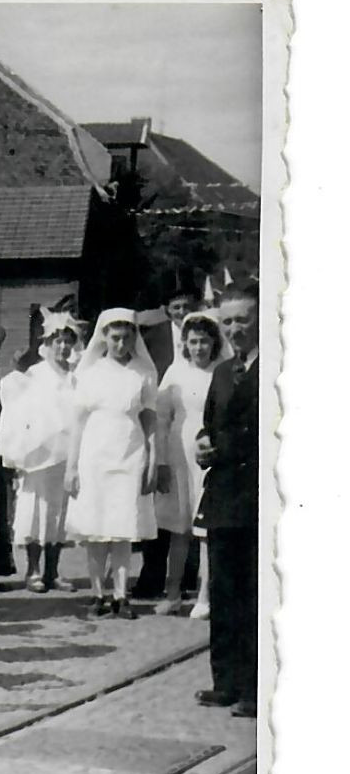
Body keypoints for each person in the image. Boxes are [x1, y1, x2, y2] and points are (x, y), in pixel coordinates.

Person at [66, 310, 160, 619]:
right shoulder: (90, 373)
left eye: (127, 337)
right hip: (94, 454)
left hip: (130, 453)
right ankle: (97, 594)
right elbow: (77, 422)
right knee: (96, 530)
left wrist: (153, 458)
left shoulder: (143, 372)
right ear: (104, 337)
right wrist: (72, 466)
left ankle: (121, 595)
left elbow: (149, 418)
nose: (120, 343)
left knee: (122, 529)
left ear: (135, 337)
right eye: (114, 337)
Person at [194, 288, 261, 719]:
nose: (235, 329)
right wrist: (202, 442)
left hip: (257, 495)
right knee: (223, 591)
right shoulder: (222, 372)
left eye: (243, 320)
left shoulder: (279, 363)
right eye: (229, 321)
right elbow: (208, 421)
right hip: (222, 497)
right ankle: (226, 682)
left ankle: (257, 687)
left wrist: (222, 448)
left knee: (256, 595)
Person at [0, 309, 82, 592]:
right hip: (38, 454)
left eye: (68, 341)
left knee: (60, 513)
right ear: (47, 343)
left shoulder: (77, 376)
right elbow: (18, 414)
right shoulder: (35, 374)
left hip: (67, 454)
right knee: (36, 511)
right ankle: (33, 571)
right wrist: (18, 451)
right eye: (57, 341)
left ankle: (53, 571)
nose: (63, 346)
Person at [153, 313, 230, 617]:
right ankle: (172, 594)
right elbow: (161, 419)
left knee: (206, 528)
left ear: (214, 343)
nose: (198, 348)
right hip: (177, 453)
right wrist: (160, 461)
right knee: (178, 527)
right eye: (193, 341)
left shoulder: (222, 372)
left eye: (204, 341)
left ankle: (205, 596)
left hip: (209, 453)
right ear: (185, 343)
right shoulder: (175, 372)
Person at [133, 289, 197, 599]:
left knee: (190, 508)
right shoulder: (153, 338)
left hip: (187, 433)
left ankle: (186, 577)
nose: (182, 312)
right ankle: (152, 576)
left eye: (187, 306)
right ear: (166, 309)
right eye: (176, 307)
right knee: (158, 507)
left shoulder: (202, 334)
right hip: (156, 428)